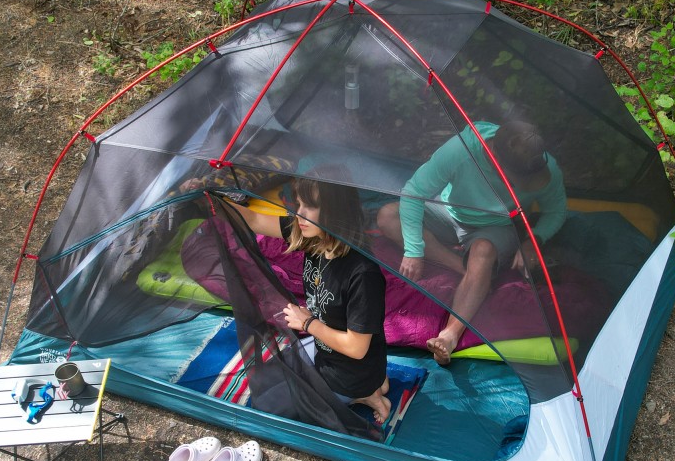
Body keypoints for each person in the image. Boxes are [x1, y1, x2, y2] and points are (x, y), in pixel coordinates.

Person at [377, 120, 567, 365]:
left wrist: (534, 239)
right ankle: (466, 269)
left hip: (496, 227)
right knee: (388, 216)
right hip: (450, 212)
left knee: (483, 251)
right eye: (514, 178)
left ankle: (450, 334)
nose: (520, 182)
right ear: (493, 154)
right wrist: (414, 250)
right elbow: (414, 192)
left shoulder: (542, 166)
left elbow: (556, 212)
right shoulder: (462, 150)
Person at [230, 169, 392, 424]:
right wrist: (209, 198)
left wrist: (307, 323)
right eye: (299, 203)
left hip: (349, 373)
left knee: (270, 409)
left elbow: (357, 348)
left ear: (335, 212)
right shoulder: (313, 236)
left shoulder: (362, 273)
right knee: (265, 378)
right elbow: (252, 219)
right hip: (325, 355)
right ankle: (374, 384)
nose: (299, 214)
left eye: (311, 206)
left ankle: (366, 393)